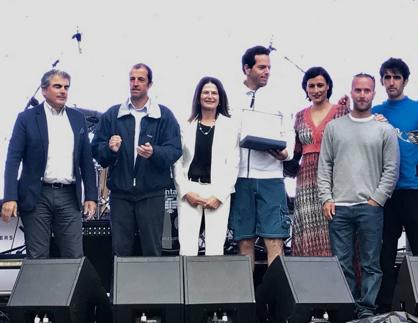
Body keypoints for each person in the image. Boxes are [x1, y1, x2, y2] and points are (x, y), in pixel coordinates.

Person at [318, 73, 399, 318]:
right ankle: (346, 308)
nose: (362, 95)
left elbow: (391, 168)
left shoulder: (385, 129)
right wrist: (326, 198)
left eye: (367, 91)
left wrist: (377, 200)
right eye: (357, 90)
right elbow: (325, 166)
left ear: (374, 93)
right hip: (338, 208)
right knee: (342, 264)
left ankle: (366, 311)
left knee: (371, 264)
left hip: (370, 207)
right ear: (350, 92)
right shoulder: (334, 127)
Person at [2, 69, 97, 258]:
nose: (63, 91)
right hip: (37, 195)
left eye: (66, 87)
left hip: (69, 195)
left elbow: (86, 160)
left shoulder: (77, 118)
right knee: (38, 257)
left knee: (74, 256)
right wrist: (10, 197)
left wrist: (91, 196)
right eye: (57, 86)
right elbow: (13, 159)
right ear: (44, 91)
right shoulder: (27, 118)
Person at [91, 63, 182, 257]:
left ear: (149, 84)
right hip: (120, 194)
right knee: (120, 252)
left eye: (141, 79)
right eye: (132, 79)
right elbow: (97, 152)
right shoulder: (112, 114)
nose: (135, 83)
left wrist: (154, 153)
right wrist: (109, 149)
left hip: (152, 194)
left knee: (152, 251)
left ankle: (153, 288)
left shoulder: (164, 115)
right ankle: (121, 288)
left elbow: (175, 150)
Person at [371, 58, 418, 313]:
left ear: (405, 80)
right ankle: (384, 307)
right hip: (385, 192)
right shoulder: (375, 111)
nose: (391, 82)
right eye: (386, 77)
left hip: (416, 188)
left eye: (396, 77)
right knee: (384, 252)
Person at [228, 45, 294, 269]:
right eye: (261, 67)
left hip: (271, 178)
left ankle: (277, 299)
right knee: (244, 239)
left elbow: (289, 136)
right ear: (247, 68)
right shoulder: (230, 98)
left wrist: (285, 153)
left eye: (269, 67)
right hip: (240, 178)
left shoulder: (279, 99)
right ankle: (248, 300)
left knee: (274, 239)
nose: (267, 71)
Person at [174, 77, 240, 256]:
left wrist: (219, 196)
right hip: (190, 189)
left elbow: (233, 164)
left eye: (214, 93)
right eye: (206, 92)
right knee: (187, 248)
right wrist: (185, 192)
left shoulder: (230, 126)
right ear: (198, 96)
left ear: (220, 98)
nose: (210, 96)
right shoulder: (186, 125)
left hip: (217, 192)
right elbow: (177, 161)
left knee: (215, 248)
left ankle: (211, 284)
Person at [291, 66, 350, 256]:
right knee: (309, 229)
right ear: (305, 89)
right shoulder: (300, 115)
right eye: (311, 86)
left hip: (334, 177)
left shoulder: (342, 111)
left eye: (320, 85)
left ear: (328, 87)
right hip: (306, 180)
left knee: (334, 227)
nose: (316, 90)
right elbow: (296, 151)